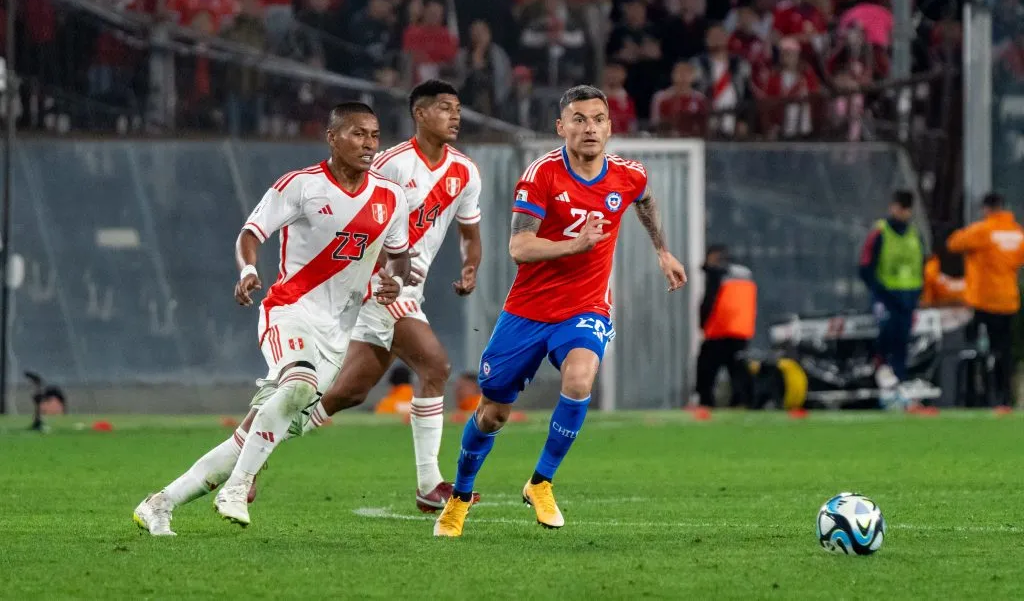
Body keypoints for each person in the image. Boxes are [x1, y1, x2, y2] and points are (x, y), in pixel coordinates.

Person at [132, 103, 411, 535]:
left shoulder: (390, 197)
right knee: (297, 385)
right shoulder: (301, 186)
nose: (369, 144)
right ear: (332, 138)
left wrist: (393, 280)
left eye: (374, 135)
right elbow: (251, 232)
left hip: (338, 332)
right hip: (289, 310)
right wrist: (248, 270)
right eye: (358, 134)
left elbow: (399, 257)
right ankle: (237, 488)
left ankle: (160, 503)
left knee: (251, 435)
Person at [433, 85, 688, 537]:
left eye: (598, 119)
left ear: (610, 127)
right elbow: (519, 246)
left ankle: (541, 482)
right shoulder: (541, 175)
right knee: (493, 412)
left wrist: (662, 252)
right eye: (579, 119)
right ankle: (459, 497)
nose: (589, 128)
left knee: (579, 378)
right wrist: (578, 244)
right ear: (561, 126)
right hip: (528, 310)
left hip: (586, 306)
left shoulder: (628, 175)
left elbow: (645, 200)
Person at [296, 80, 484, 512]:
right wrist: (383, 268)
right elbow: (362, 214)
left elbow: (470, 234)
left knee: (350, 392)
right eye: (443, 108)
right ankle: (429, 484)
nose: (454, 116)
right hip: (377, 284)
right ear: (419, 114)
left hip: (408, 289)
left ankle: (255, 446)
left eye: (457, 108)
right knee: (435, 364)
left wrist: (470, 265)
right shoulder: (394, 164)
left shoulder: (465, 172)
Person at [947, 193, 1024, 409]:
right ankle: (1005, 397)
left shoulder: (983, 230)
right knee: (1004, 351)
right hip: (1008, 301)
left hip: (984, 301)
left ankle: (974, 394)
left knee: (973, 349)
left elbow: (954, 243)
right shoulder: (1016, 232)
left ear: (986, 209)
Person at [858, 190, 924, 391]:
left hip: (908, 298)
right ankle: (879, 378)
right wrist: (878, 292)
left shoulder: (914, 234)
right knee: (886, 336)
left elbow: (921, 266)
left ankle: (899, 383)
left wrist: (917, 294)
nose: (902, 212)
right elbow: (866, 266)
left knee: (902, 342)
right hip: (886, 297)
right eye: (899, 207)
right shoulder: (880, 232)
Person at [695, 245, 757, 408]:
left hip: (720, 330)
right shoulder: (745, 274)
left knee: (706, 369)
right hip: (741, 331)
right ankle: (743, 402)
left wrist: (702, 323)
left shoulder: (717, 274)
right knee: (738, 370)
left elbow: (709, 301)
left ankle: (705, 402)